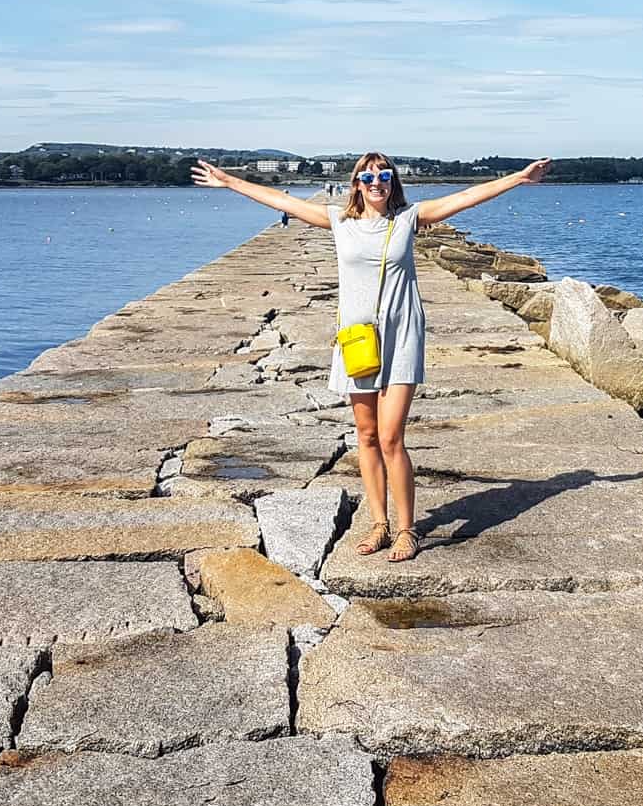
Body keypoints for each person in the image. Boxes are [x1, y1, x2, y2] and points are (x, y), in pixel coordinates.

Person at [191, 152, 551, 562]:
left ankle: (406, 529)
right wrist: (230, 181)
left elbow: (468, 195)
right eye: (367, 176)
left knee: (391, 436)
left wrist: (518, 178)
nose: (376, 182)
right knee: (366, 436)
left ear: (392, 181)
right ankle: (379, 523)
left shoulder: (409, 218)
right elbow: (281, 201)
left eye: (383, 175)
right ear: (356, 183)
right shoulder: (339, 222)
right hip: (357, 340)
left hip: (402, 337)